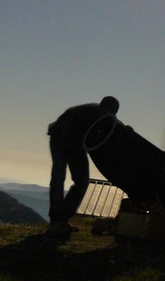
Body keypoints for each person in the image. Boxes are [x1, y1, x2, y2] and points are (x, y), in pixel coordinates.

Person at [47, 95, 120, 235]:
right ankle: (56, 222)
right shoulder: (85, 113)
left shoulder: (101, 117)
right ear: (103, 107)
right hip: (60, 139)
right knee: (58, 178)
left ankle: (62, 219)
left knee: (82, 182)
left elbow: (112, 126)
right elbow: (66, 131)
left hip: (75, 144)